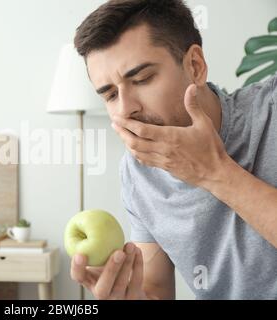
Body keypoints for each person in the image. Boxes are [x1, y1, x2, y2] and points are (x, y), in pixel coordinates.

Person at [70, 0, 277, 300]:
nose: (126, 109)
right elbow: (156, 290)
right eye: (111, 95)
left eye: (141, 79)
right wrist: (128, 295)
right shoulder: (137, 171)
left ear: (195, 66)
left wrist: (215, 172)